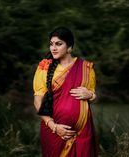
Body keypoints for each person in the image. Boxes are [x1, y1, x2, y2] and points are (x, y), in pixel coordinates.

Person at [33, 26, 98, 157]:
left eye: (58, 44)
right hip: (53, 131)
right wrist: (54, 126)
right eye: (51, 44)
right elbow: (37, 100)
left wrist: (90, 95)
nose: (53, 48)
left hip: (82, 131)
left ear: (69, 47)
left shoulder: (85, 68)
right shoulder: (44, 67)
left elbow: (93, 95)